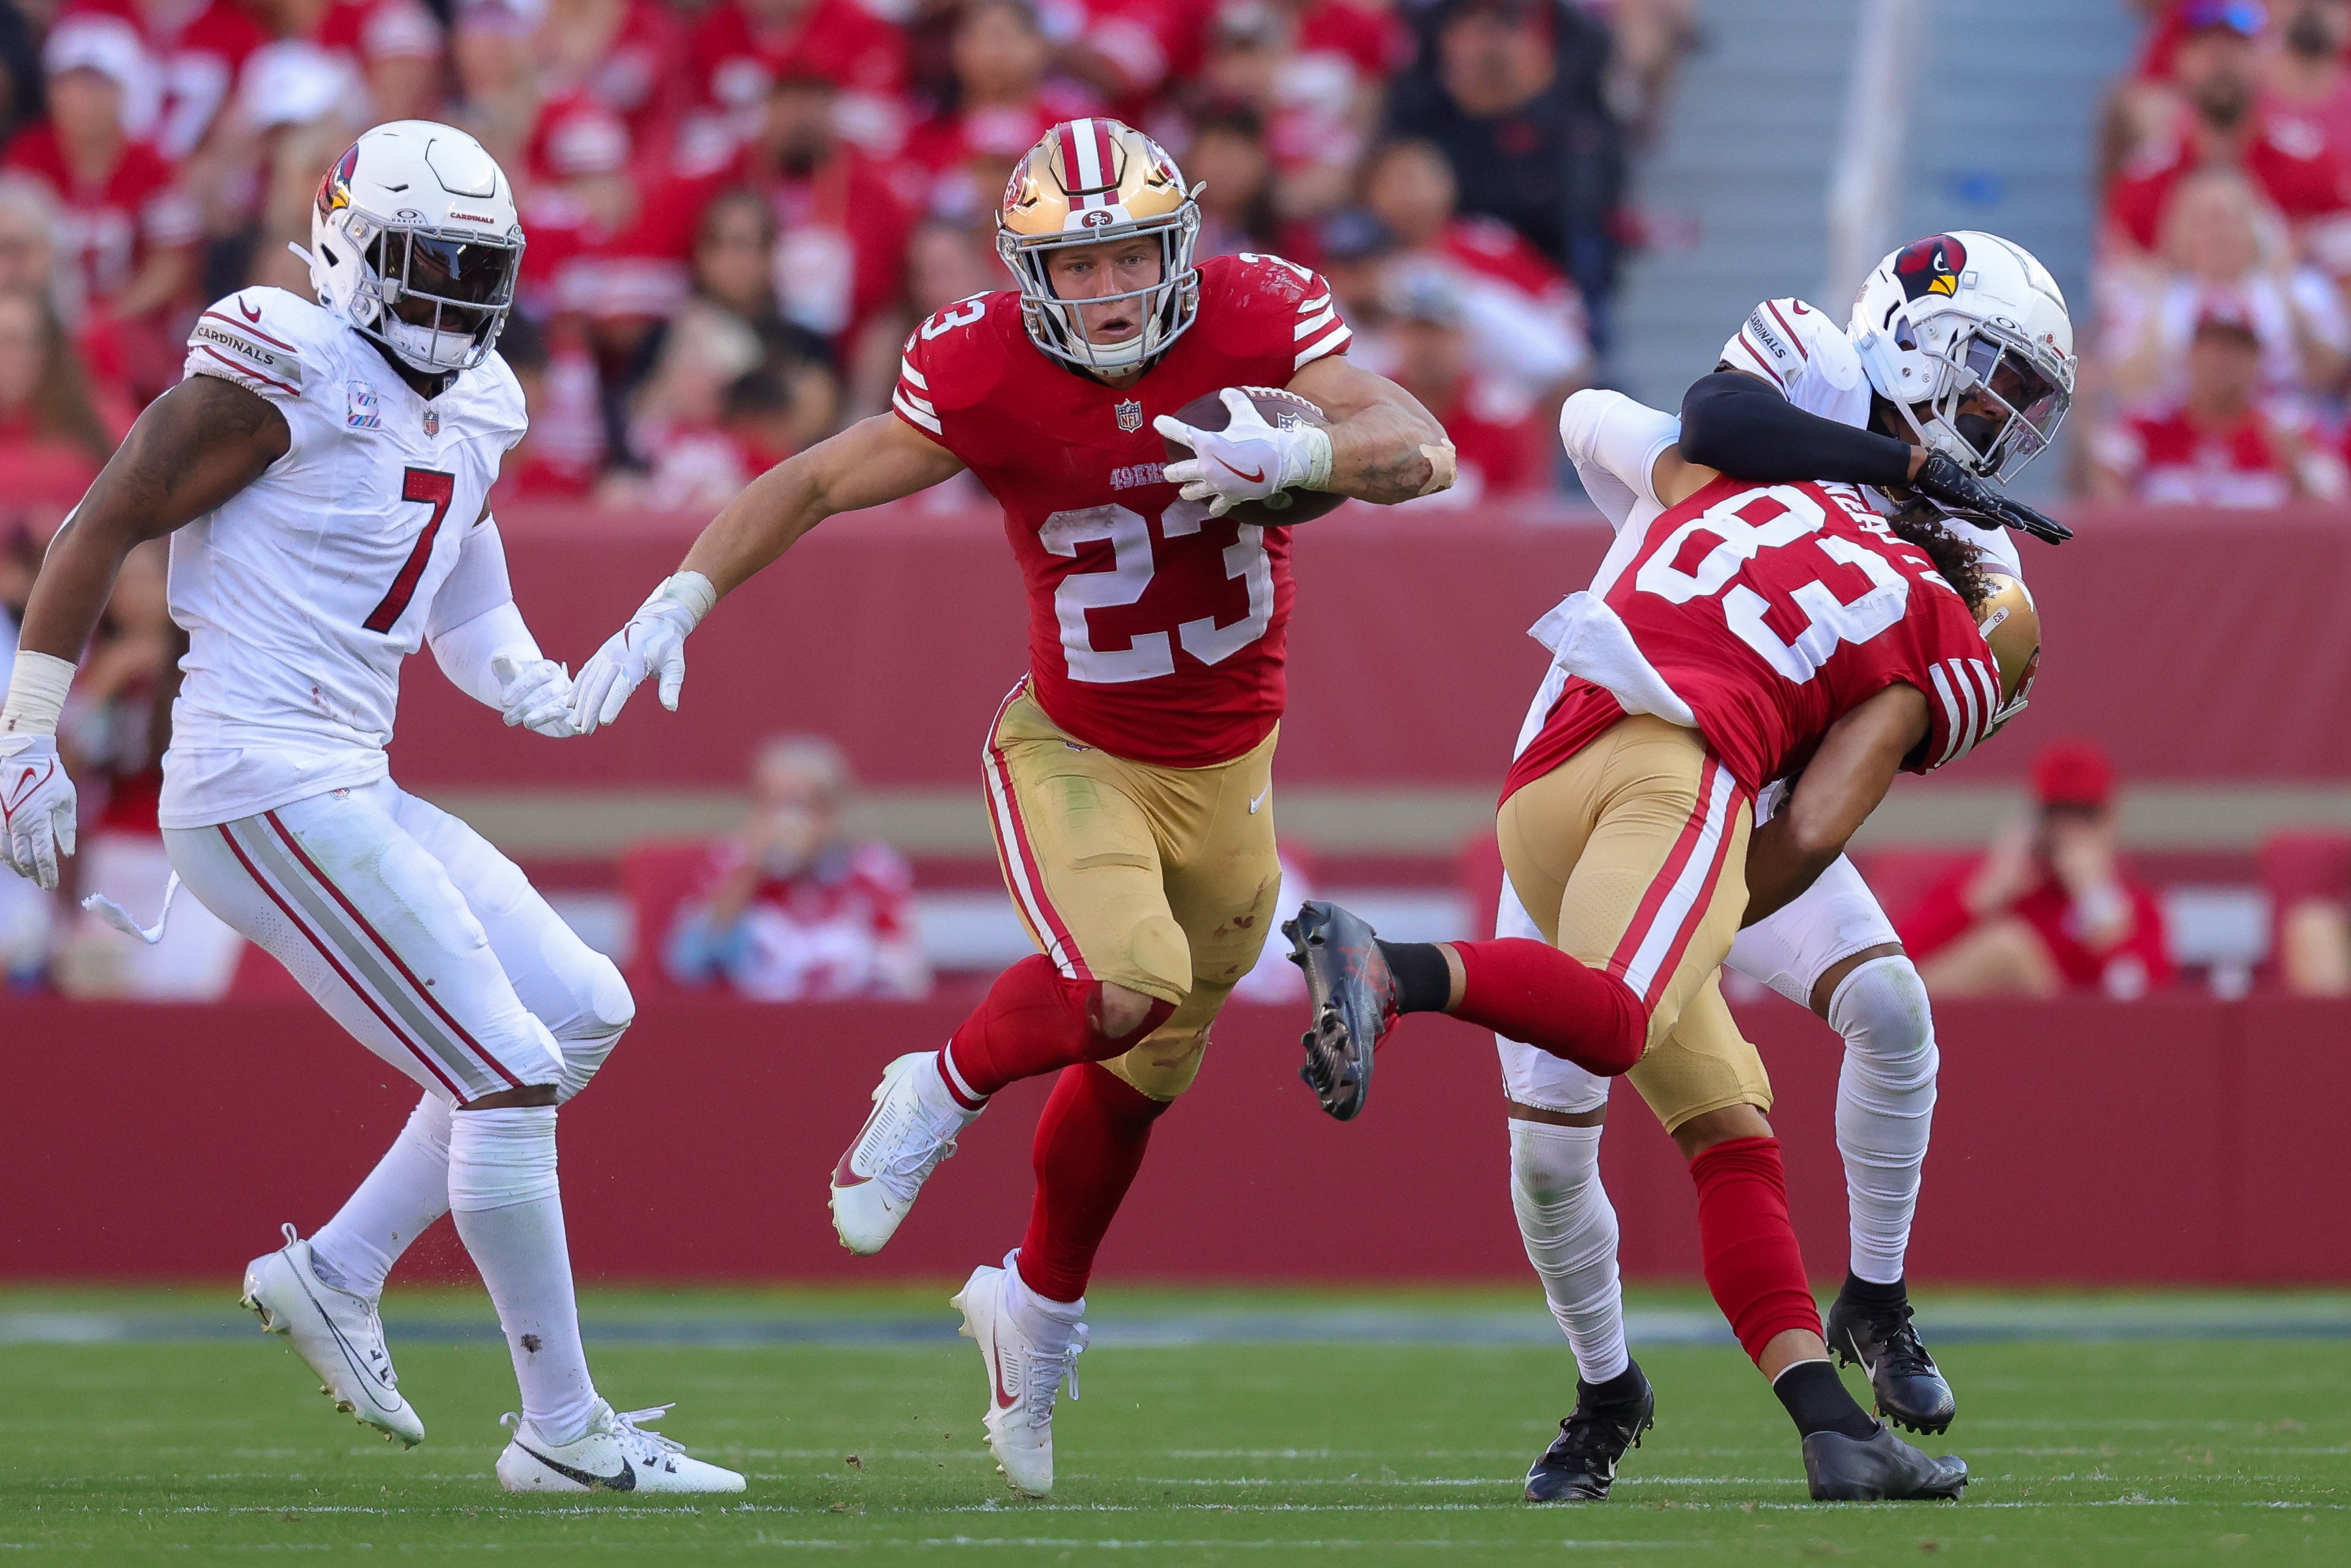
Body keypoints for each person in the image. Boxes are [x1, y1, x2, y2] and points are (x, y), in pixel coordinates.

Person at [563, 116, 1453, 1498]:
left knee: (1145, 1071)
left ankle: (1032, 1307)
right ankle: (934, 1086)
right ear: (1025, 272)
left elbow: (1419, 449)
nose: (1104, 292)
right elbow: (810, 480)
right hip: (1075, 748)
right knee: (1129, 979)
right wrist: (684, 591)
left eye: (1128, 259)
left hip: (1231, 766)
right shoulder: (976, 363)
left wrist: (1299, 460)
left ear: (1183, 247)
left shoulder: (1260, 311)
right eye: (1074, 265)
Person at [0, 121, 743, 1496]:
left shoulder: (478, 401)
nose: (455, 298)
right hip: (255, 781)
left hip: (351, 776)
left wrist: (526, 675)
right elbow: (102, 517)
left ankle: (335, 1269)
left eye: (479, 269)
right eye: (426, 263)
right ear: (345, 246)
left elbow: (453, 542)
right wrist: (26, 729)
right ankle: (563, 1431)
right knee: (503, 1070)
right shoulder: (281, 358)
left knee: (580, 1007)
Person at [1292, 231, 2075, 1504]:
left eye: (2022, 400)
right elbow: (1619, 417)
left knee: (1881, 1009)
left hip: (1732, 799)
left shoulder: (1977, 556)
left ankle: (1870, 1304)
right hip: (1623, 748)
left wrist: (1709, 909)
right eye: (1990, 376)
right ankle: (1605, 1386)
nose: (2003, 417)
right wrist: (1873, 466)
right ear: (1914, 343)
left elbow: (1840, 790)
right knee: (1552, 1154)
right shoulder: (1799, 393)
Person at [1900, 741, 2173, 1000]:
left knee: (2008, 948)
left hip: (2072, 1039)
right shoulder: (1996, 884)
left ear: (2109, 823)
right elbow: (1898, 961)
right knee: (2004, 945)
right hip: (1977, 1037)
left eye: (2084, 816)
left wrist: (2099, 907)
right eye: (2056, 815)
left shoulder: (2136, 906)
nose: (2069, 832)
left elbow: (2142, 1007)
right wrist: (1985, 896)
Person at [664, 732, 927, 1000]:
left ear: (832, 813)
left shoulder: (873, 872)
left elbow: (905, 976)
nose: (785, 822)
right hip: (751, 1028)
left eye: (800, 806)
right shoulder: (731, 864)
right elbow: (688, 967)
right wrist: (749, 875)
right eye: (771, 804)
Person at [2090, 306, 2344, 504]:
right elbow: (2099, 483)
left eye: (2236, 350)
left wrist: (2296, 473)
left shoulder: (2289, 427)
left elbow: (2331, 502)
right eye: (2212, 349)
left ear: (2257, 361)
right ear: (2190, 356)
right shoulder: (2148, 424)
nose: (2222, 361)